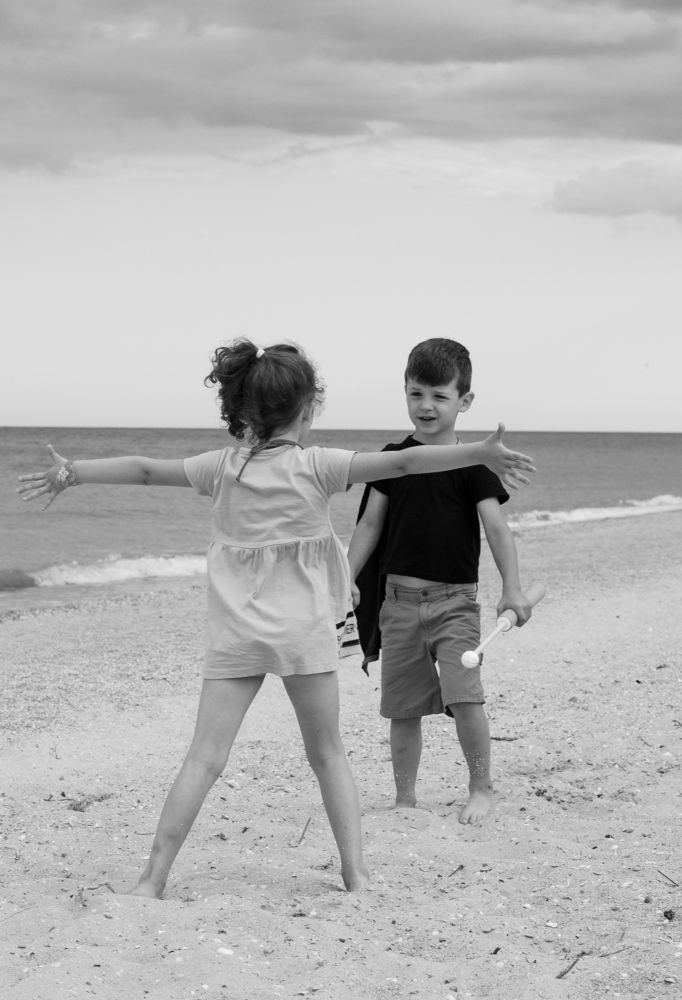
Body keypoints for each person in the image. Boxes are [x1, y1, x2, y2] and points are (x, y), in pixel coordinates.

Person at [17, 338, 535, 897]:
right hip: (304, 634)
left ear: (245, 409)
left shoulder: (219, 467)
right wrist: (478, 451)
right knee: (328, 754)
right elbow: (408, 462)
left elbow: (144, 470)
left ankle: (152, 880)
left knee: (204, 757)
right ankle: (356, 875)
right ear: (309, 408)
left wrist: (74, 472)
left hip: (236, 634)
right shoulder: (319, 466)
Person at [348, 338, 533, 826]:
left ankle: (481, 788)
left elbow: (497, 528)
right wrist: (346, 578)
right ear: (405, 393)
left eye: (439, 395)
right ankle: (405, 799)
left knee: (465, 697)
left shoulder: (471, 463)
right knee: (402, 708)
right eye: (416, 394)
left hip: (455, 603)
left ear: (463, 401)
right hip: (398, 603)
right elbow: (369, 525)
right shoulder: (393, 459)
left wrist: (512, 588)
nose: (426, 405)